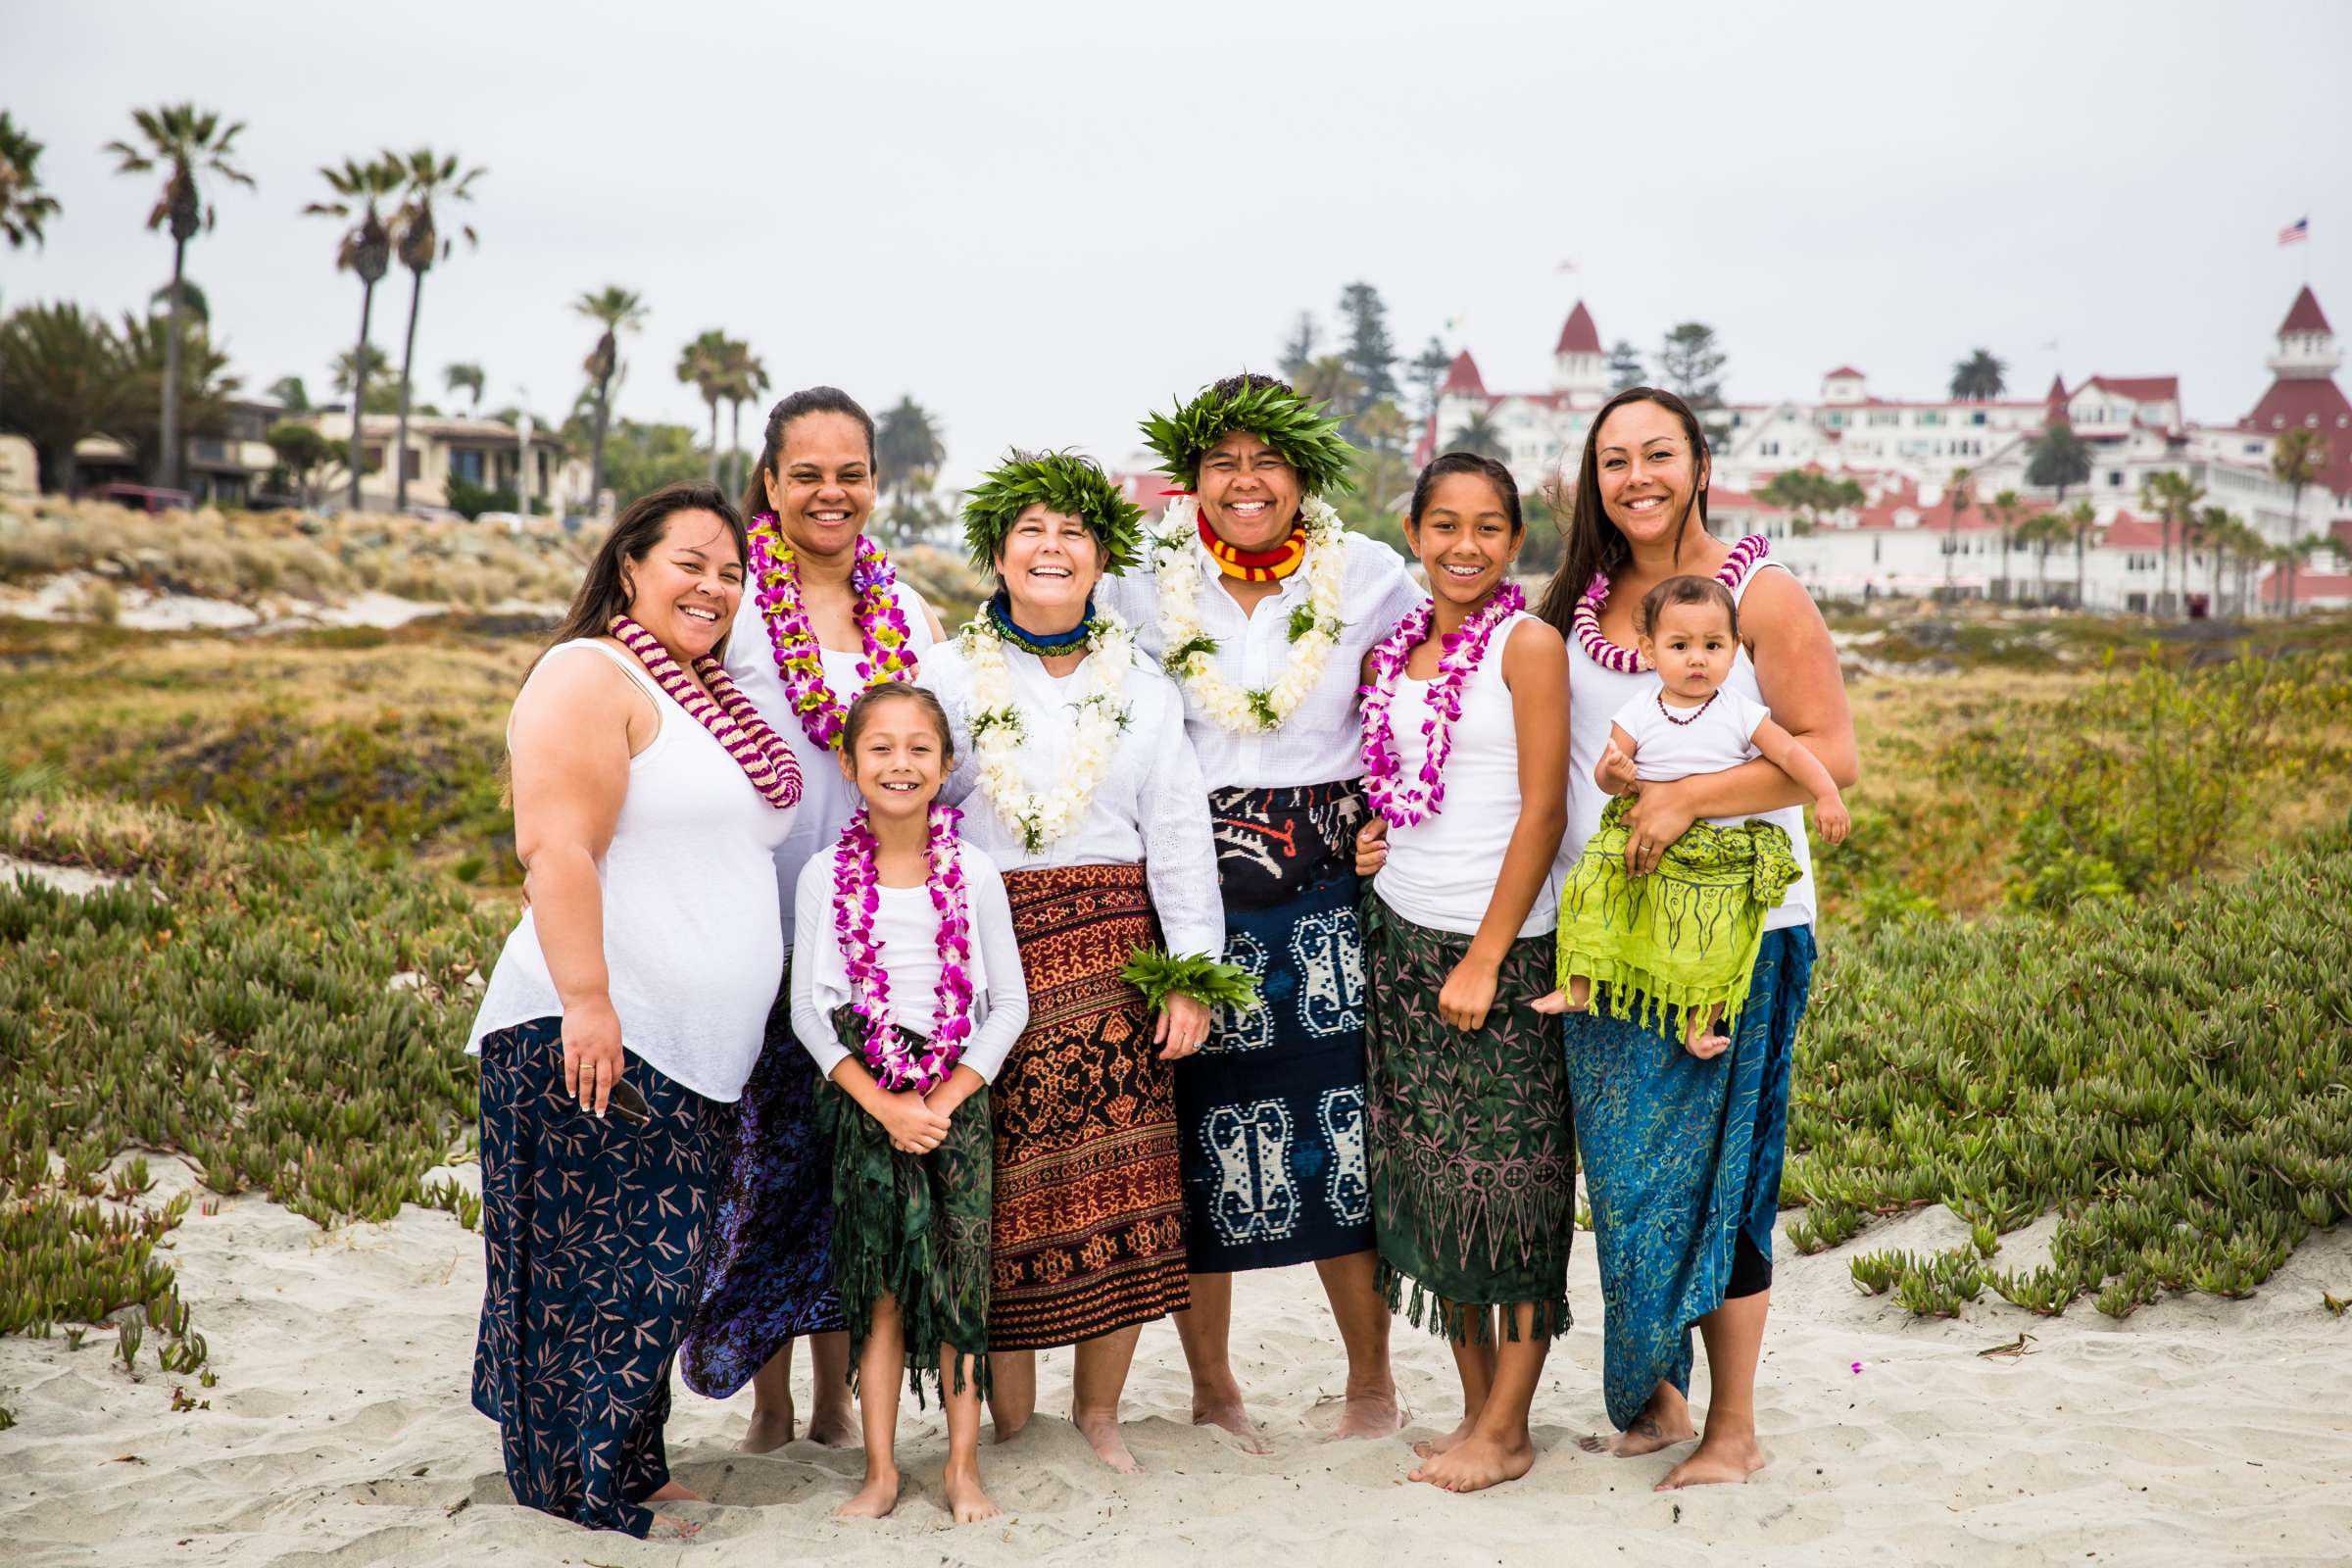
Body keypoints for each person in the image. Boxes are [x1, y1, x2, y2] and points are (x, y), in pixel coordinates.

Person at [1530, 387, 1858, 1491]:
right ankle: (1655, 1392)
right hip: (1615, 939)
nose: (1637, 477)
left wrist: (1690, 802)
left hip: (1739, 937)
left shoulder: (1760, 594)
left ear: (1701, 460)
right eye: (1614, 458)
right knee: (1626, 1172)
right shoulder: (1578, 598)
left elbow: (1831, 756)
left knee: (1727, 1173)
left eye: (1658, 453)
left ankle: (1734, 1427)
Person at [466, 482, 803, 1540]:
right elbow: (557, 847)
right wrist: (588, 1000)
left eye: (732, 571)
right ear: (628, 567)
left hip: (690, 1053)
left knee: (661, 1267)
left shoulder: (702, 692)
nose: (714, 586)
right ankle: (582, 1497)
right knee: (598, 1273)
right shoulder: (587, 672)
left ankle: (634, 1466)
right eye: (690, 563)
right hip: (597, 1027)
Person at [1101, 374, 1424, 1443]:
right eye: (1223, 462)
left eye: (1267, 461)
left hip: (1325, 893)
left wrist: (1398, 813)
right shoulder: (1142, 579)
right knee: (1196, 1143)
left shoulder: (1372, 574)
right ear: (1192, 476)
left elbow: (1432, 694)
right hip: (1183, 893)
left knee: (1342, 1142)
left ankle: (1370, 1380)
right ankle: (1213, 1388)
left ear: (1303, 476)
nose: (1246, 482)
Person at [918, 451, 1240, 1471]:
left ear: (1102, 558)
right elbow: (905, 811)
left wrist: (1191, 971)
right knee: (999, 1198)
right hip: (984, 955)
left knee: (1126, 1194)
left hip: (1112, 957)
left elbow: (1179, 833)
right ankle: (1014, 1426)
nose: (1051, 547)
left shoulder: (1141, 687)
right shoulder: (944, 675)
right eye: (1031, 530)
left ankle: (1099, 1414)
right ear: (999, 554)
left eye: (1073, 532)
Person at [681, 387, 946, 1452]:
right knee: (763, 1169)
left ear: (876, 483)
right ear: (771, 481)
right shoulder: (734, 601)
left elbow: (938, 754)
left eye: (851, 474)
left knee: (851, 1169)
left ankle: (837, 1398)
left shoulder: (909, 611)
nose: (830, 493)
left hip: (873, 934)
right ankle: (771, 1398)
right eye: (807, 474)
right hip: (754, 923)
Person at [1348, 453, 1574, 1493]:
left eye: (1489, 527)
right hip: (1400, 941)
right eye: (1445, 524)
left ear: (1516, 540)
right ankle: (1478, 1412)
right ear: (1414, 530)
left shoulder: (1527, 646)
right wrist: (1374, 844)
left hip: (1505, 949)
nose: (1465, 546)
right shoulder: (1399, 649)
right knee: (1436, 1189)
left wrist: (1488, 955)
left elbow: (1543, 810)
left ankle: (1511, 1426)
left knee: (1516, 1189)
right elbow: (1399, 786)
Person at [791, 683, 1027, 1523]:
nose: (901, 764)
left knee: (959, 1286)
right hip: (867, 1101)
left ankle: (963, 1467)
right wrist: (885, 1104)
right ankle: (882, 1472)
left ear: (946, 766)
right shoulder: (826, 875)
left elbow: (1008, 1008)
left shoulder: (975, 872)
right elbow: (810, 1015)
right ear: (850, 765)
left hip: (957, 1101)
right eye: (881, 749)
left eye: (919, 749)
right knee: (881, 1289)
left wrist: (946, 1098)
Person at [1544, 573, 1850, 1057]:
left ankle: (1700, 1024)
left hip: (1714, 853)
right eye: (1680, 645)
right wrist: (1615, 772)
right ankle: (1581, 982)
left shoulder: (1739, 711)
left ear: (1733, 651)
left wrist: (1827, 794)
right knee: (1592, 883)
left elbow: (1792, 755)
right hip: (1644, 843)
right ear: (1651, 652)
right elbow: (1605, 776)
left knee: (1712, 936)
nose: (1697, 658)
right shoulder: (1639, 709)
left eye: (1713, 645)